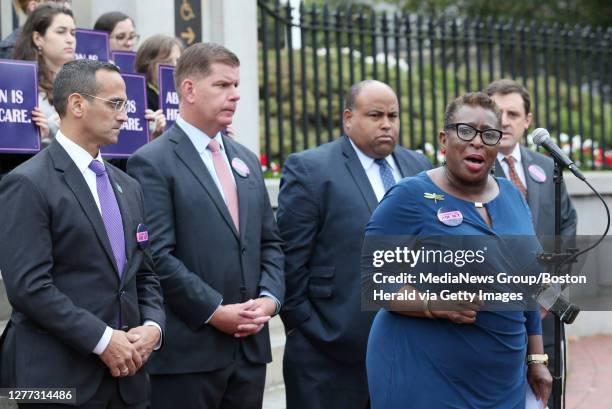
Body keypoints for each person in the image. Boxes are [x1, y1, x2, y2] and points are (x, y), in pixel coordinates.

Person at [364, 92, 552, 408]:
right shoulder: (410, 196)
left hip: (502, 381)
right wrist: (436, 304)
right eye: (465, 131)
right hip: (425, 376)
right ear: (444, 138)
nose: (477, 141)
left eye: (489, 135)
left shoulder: (512, 196)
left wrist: (536, 357)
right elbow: (374, 283)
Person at [127, 42, 284, 409]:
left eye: (236, 85)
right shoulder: (152, 161)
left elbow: (270, 243)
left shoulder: (244, 158)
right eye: (223, 85)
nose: (235, 95)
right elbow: (156, 256)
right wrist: (215, 311)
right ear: (189, 89)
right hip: (189, 357)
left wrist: (269, 300)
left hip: (248, 352)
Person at [0, 59, 165, 407]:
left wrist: (153, 327)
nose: (124, 115)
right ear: (77, 104)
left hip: (128, 383)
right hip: (55, 381)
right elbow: (29, 288)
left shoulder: (128, 186)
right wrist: (104, 340)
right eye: (115, 103)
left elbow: (145, 274)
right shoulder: (27, 183)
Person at [277, 80, 431, 409]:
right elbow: (290, 258)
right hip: (328, 356)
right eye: (375, 115)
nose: (387, 123)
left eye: (393, 115)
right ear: (348, 118)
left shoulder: (419, 167)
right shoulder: (311, 169)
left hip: (406, 349)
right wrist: (304, 327)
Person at [486, 79, 577, 409]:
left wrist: (549, 296)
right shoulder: (472, 167)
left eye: (514, 113)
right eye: (498, 112)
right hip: (498, 318)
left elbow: (566, 229)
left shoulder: (546, 167)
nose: (505, 120)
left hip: (545, 314)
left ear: (528, 120)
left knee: (547, 397)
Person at [1, 3, 75, 179]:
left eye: (73, 33)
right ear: (38, 38)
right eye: (61, 32)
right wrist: (35, 135)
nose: (70, 39)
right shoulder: (16, 83)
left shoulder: (82, 82)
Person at [0, 0, 72, 59]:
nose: (66, 7)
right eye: (57, 2)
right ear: (34, 7)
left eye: (67, 1)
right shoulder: (12, 50)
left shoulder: (71, 40)